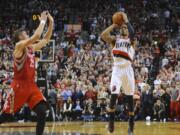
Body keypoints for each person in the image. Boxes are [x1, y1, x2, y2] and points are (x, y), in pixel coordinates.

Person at [0, 11, 54, 135]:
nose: (27, 33)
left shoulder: (30, 48)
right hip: (19, 86)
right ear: (19, 37)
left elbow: (45, 39)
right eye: (24, 33)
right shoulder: (18, 47)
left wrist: (51, 22)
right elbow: (36, 37)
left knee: (42, 111)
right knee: (6, 116)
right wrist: (42, 20)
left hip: (31, 85)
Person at [101, 12, 136, 135]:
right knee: (114, 95)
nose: (124, 29)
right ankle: (111, 121)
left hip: (128, 70)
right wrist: (114, 25)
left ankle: (131, 124)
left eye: (125, 28)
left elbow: (133, 32)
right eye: (122, 28)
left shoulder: (132, 41)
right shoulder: (115, 40)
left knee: (130, 97)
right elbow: (103, 35)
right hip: (117, 70)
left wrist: (126, 21)